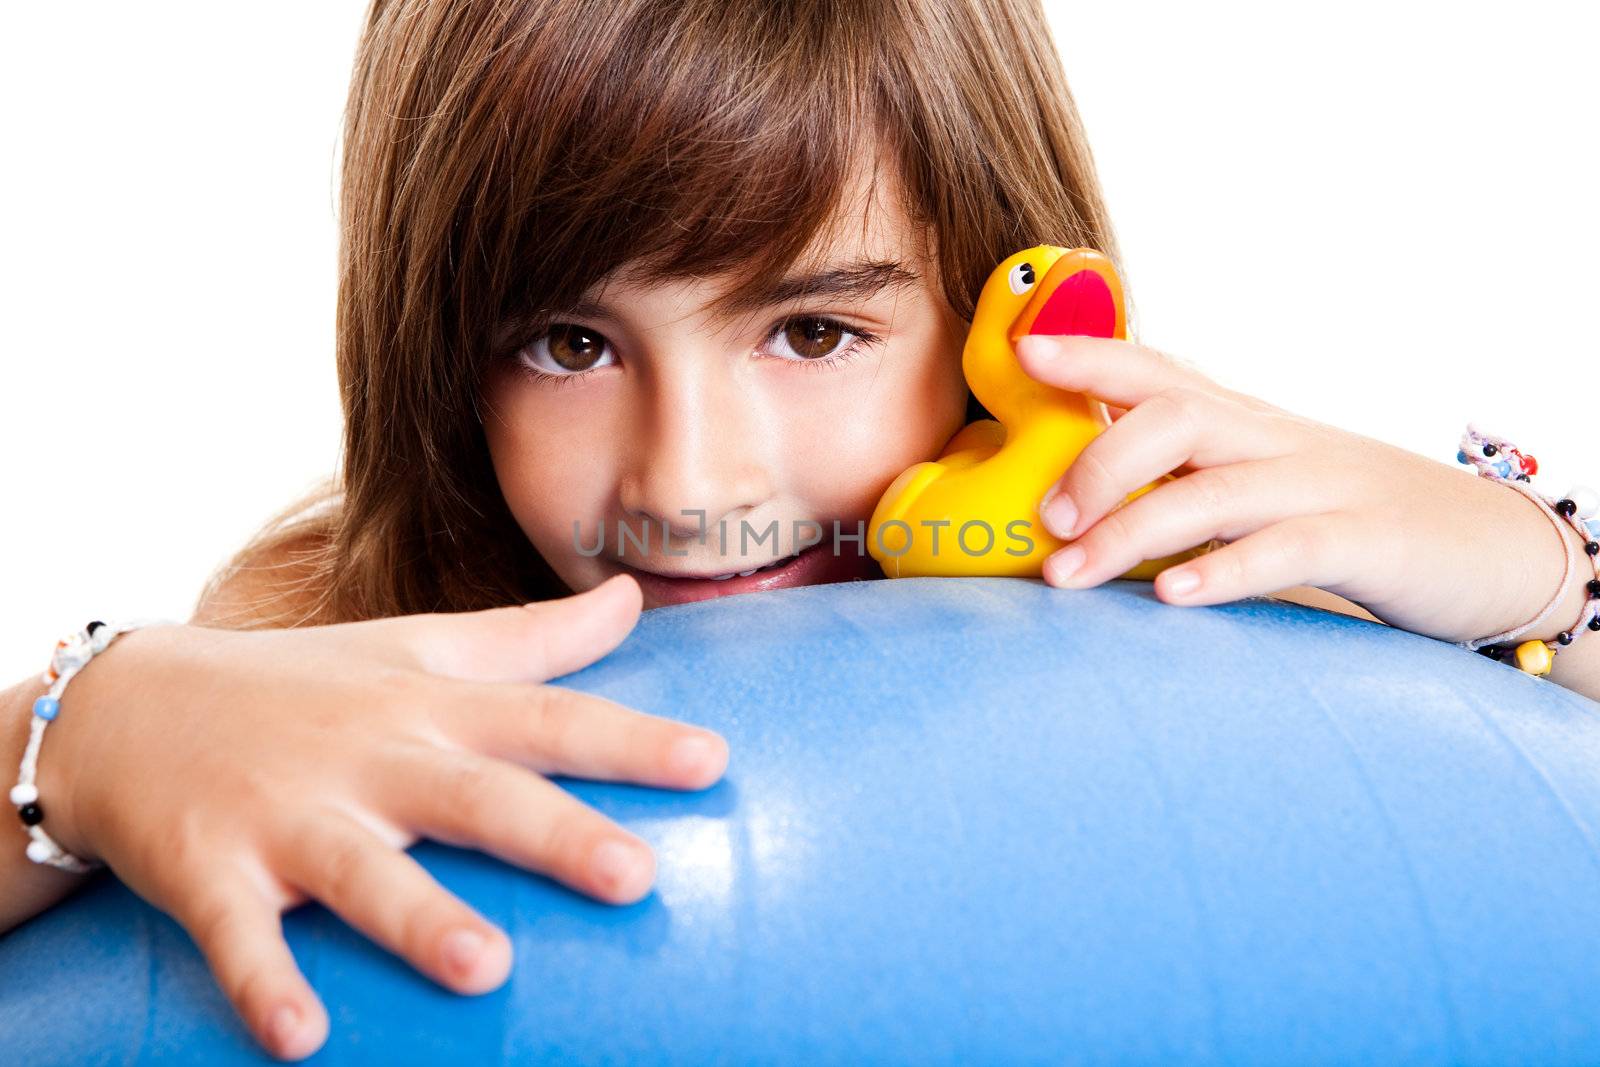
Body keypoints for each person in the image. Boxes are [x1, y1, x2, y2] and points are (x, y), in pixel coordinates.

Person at [5, 0, 1597, 1060]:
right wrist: (83, 727)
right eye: (569, 344)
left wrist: (1543, 570)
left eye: (814, 332)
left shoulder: (1209, 583)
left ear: (1004, 312)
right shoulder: (338, 653)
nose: (690, 481)